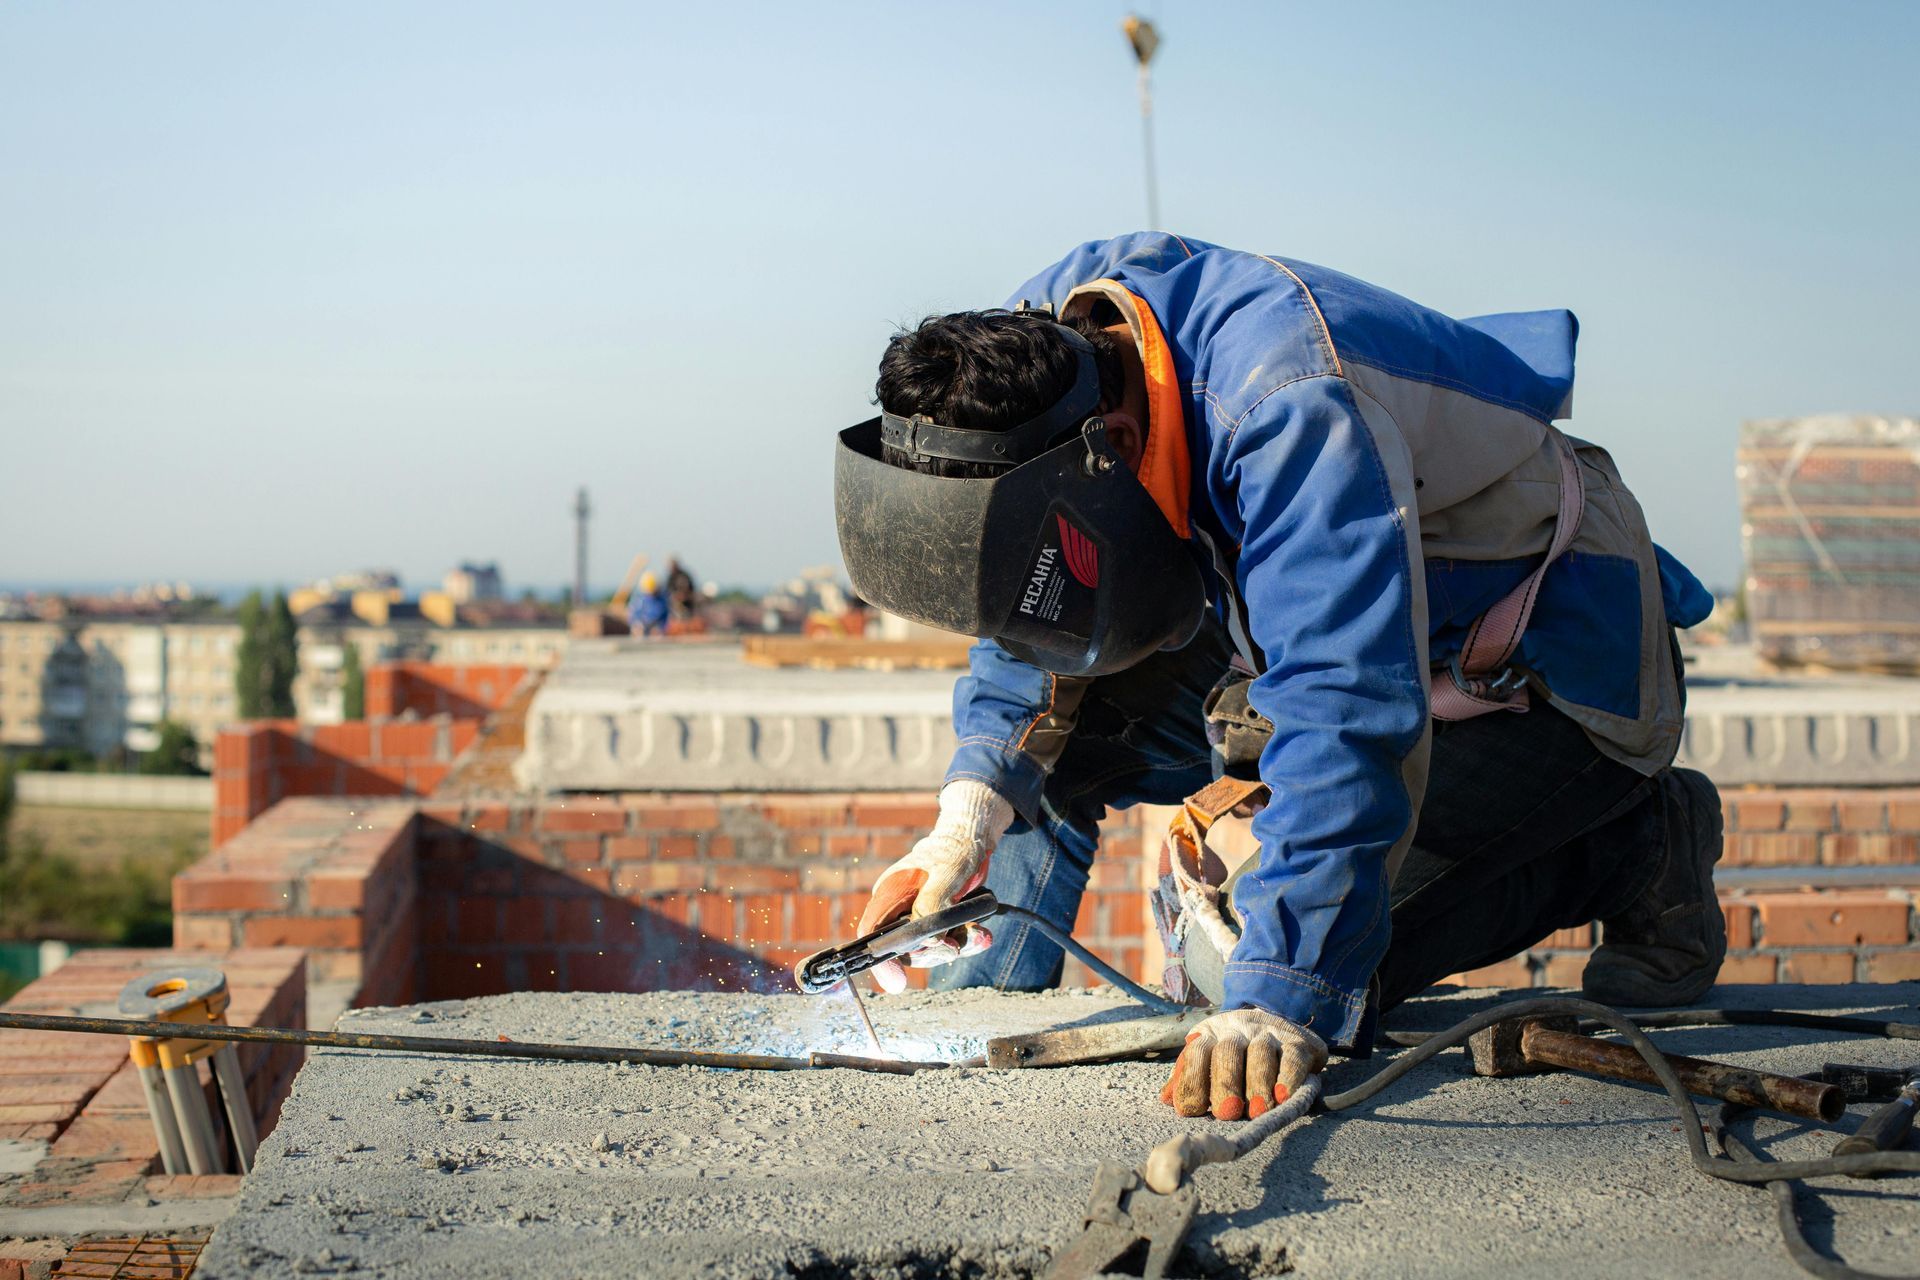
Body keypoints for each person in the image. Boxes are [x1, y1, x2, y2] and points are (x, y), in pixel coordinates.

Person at [832, 232, 1723, 1122]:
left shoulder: (1289, 408)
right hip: (1340, 639)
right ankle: (976, 1010)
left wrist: (1276, 994)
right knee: (1043, 762)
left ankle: (1637, 850)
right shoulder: (1050, 345)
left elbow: (1346, 706)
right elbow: (1032, 608)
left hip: (1547, 670)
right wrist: (966, 819)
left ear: (1111, 442)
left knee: (1299, 972)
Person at [628, 572, 670, 638]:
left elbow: (664, 618)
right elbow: (633, 616)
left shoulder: (663, 600)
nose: (651, 594)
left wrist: (660, 629)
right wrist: (637, 625)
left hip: (658, 633)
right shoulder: (639, 600)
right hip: (642, 631)